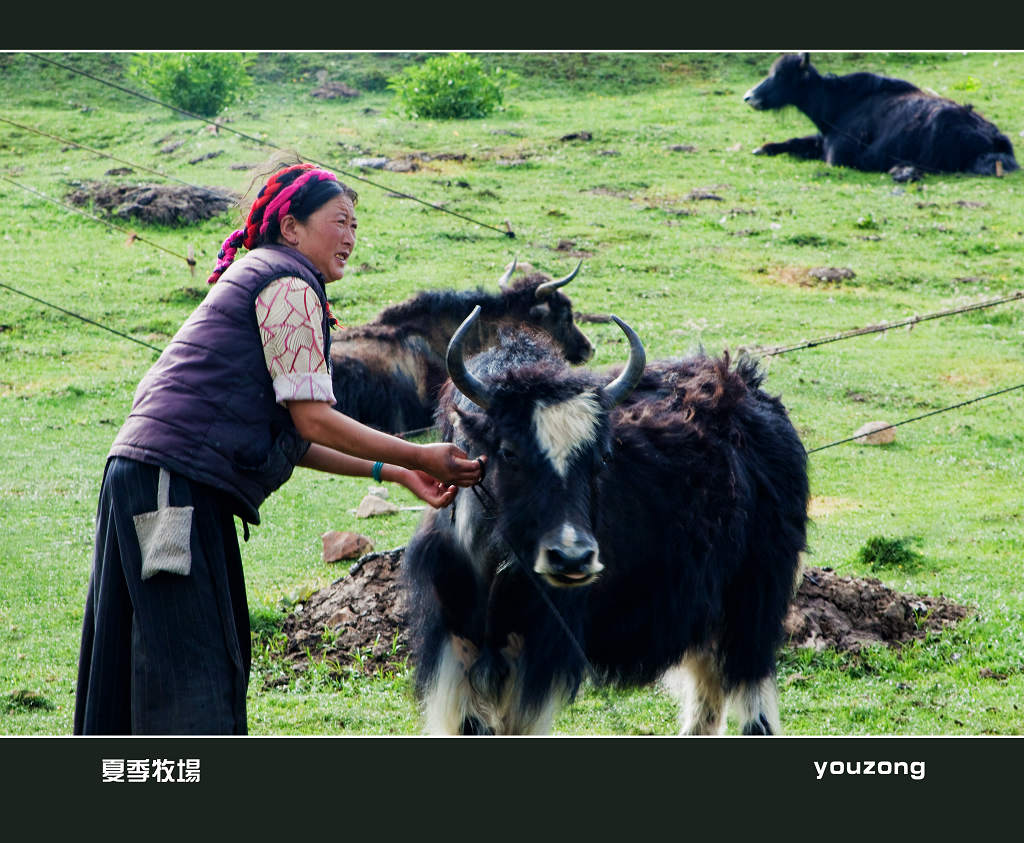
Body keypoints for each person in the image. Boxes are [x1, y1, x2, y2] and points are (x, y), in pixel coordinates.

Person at [73, 160, 484, 735]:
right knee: (191, 660)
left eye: (356, 226)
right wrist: (420, 455)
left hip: (167, 479)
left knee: (170, 650)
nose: (350, 236)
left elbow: (294, 438)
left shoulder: (273, 278)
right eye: (339, 221)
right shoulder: (287, 285)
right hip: (170, 489)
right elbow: (315, 420)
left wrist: (393, 473)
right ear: (291, 227)